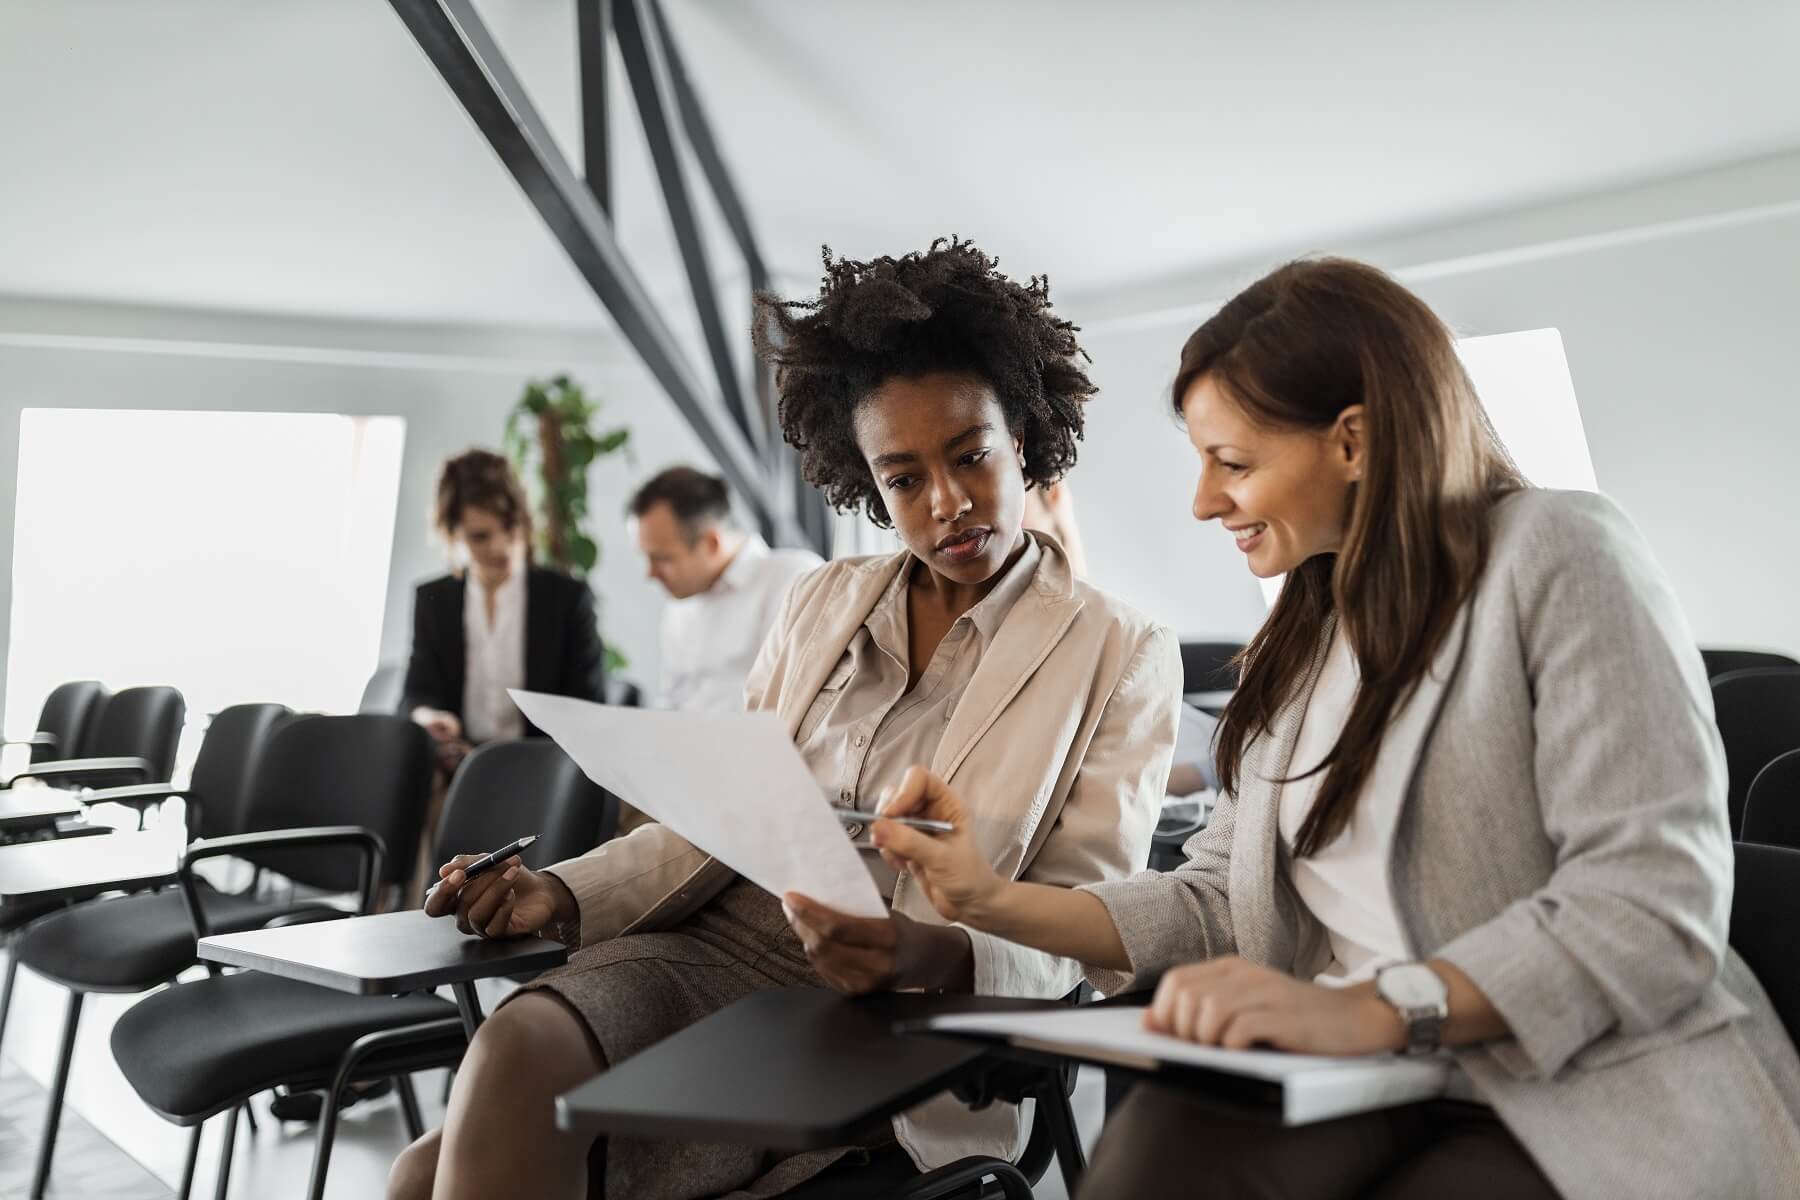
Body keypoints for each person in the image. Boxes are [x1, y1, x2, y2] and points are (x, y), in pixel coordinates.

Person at [871, 258, 1800, 1198]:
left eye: (1231, 463)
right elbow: (1215, 907)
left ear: (1353, 442)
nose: (1202, 501)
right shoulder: (1304, 636)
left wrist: (1374, 1010)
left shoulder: (1558, 554)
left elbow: (1650, 904)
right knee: (1153, 1156)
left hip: (1573, 1080)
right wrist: (982, 899)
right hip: (1359, 1072)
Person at [387, 238, 1181, 1200]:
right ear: (867, 480)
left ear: (1024, 435)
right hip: (711, 940)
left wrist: (918, 951)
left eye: (970, 455)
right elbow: (721, 819)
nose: (946, 503)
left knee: (428, 1175)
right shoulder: (822, 603)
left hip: (882, 1008)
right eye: (902, 477)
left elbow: (1090, 921)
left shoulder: (1119, 648)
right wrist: (556, 893)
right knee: (513, 1046)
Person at [403, 448, 608, 761]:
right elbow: (417, 692)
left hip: (540, 767)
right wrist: (428, 717)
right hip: (457, 763)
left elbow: (587, 705)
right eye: (480, 536)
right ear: (453, 533)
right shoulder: (434, 601)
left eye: (510, 528)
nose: (500, 548)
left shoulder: (566, 599)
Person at [628, 465, 823, 713]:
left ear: (711, 543)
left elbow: (792, 700)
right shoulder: (679, 602)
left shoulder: (793, 578)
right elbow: (671, 700)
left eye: (663, 559)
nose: (650, 574)